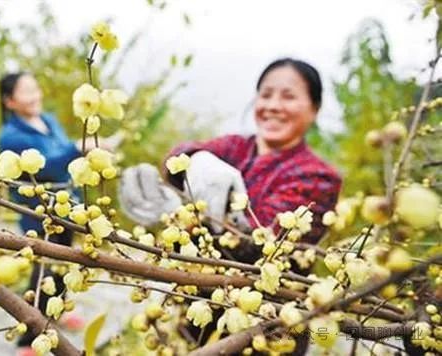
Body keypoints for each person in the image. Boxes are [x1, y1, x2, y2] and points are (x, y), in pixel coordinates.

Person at [119, 58, 342, 354]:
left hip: (266, 328)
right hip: (198, 312)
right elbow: (179, 155)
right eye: (266, 94)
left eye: (288, 96)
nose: (273, 105)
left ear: (314, 109)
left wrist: (186, 219)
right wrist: (195, 161)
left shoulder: (320, 177)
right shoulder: (236, 147)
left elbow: (262, 246)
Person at [0, 72, 84, 355]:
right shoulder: (11, 136)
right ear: (9, 101)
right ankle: (30, 338)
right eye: (26, 91)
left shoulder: (49, 120)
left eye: (35, 88)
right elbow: (52, 165)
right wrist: (79, 148)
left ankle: (55, 314)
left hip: (67, 205)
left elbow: (63, 155)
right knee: (43, 268)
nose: (35, 95)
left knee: (63, 260)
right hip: (38, 213)